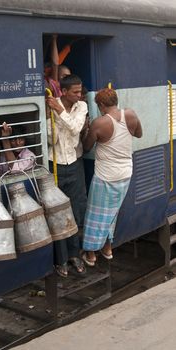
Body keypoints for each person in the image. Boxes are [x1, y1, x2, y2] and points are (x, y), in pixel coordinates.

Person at [81, 88, 142, 266]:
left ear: (100, 105)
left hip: (105, 176)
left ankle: (91, 254)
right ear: (116, 100)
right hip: (125, 173)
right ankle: (107, 248)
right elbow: (139, 134)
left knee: (96, 215)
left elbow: (86, 147)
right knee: (112, 213)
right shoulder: (130, 114)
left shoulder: (99, 123)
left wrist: (86, 130)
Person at [46, 74, 88, 277]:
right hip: (54, 165)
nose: (79, 95)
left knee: (75, 211)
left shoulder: (81, 107)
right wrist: (49, 116)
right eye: (75, 92)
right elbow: (50, 140)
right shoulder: (50, 109)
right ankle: (60, 259)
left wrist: (59, 111)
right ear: (63, 92)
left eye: (80, 91)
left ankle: (74, 254)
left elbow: (76, 128)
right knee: (57, 213)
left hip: (74, 164)